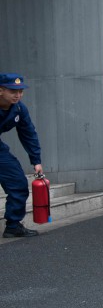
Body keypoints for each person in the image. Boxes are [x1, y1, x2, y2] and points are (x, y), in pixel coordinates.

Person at [0, 73, 43, 238]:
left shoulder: (19, 108)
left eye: (20, 91)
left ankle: (13, 226)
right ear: (1, 90)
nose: (17, 95)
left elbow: (28, 133)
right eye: (13, 91)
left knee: (18, 183)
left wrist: (36, 161)